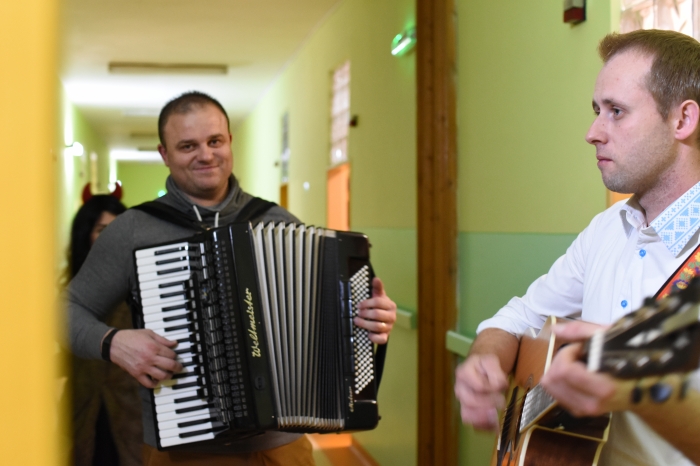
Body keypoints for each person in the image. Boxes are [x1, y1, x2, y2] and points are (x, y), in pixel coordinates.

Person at [67, 91, 397, 466]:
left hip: (283, 448)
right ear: (164, 154)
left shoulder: (277, 222)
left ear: (229, 142)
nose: (206, 155)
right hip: (184, 451)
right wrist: (112, 342)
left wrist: (371, 318)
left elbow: (332, 321)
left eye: (215, 141)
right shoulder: (133, 230)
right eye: (188, 145)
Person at [454, 29, 700, 465]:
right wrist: (485, 360)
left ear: (682, 121)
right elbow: (518, 318)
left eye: (616, 111)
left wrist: (638, 387)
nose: (592, 133)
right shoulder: (606, 230)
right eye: (596, 111)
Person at [65, 191, 143, 466]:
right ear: (86, 235)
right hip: (83, 409)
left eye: (117, 230)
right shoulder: (71, 294)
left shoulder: (143, 287)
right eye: (102, 230)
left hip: (131, 414)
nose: (111, 239)